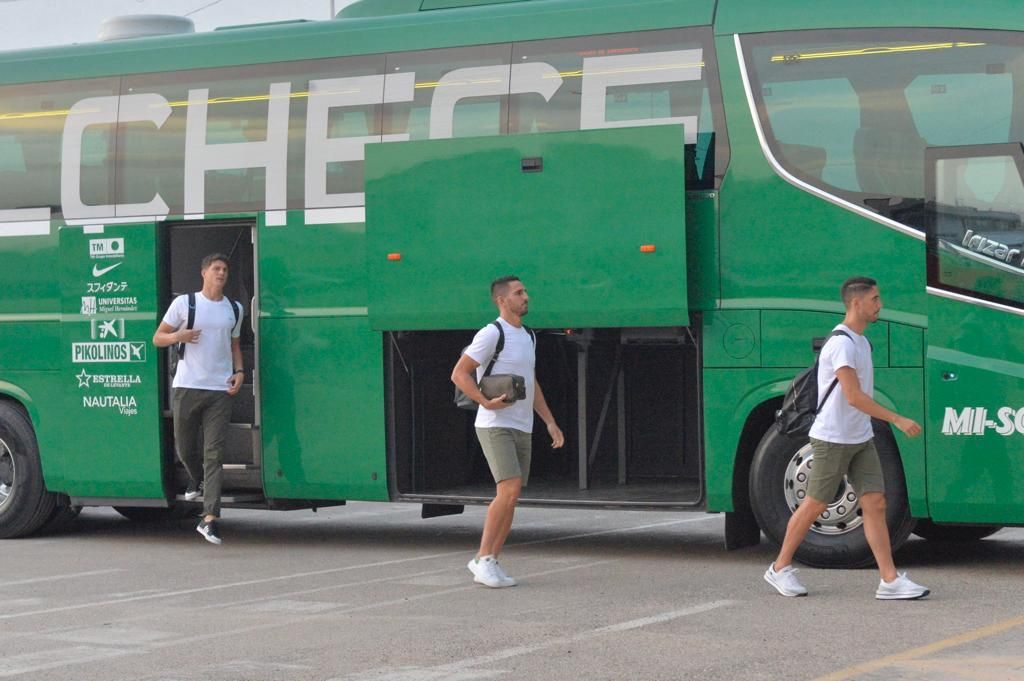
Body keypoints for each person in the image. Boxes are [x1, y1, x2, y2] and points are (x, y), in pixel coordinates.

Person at [764, 276, 930, 600]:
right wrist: (896, 418)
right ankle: (779, 568)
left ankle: (889, 580)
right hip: (832, 438)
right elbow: (853, 396)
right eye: (875, 299)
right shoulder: (840, 343)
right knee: (815, 504)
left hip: (859, 436)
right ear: (857, 303)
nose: (879, 305)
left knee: (875, 503)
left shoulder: (861, 342)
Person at [451, 276, 565, 588]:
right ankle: (483, 558)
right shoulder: (491, 333)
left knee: (512, 496)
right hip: (494, 424)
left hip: (521, 423)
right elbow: (459, 374)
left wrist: (549, 421)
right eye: (519, 293)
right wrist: (484, 401)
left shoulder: (529, 336)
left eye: (525, 291)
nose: (526, 296)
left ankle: (490, 560)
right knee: (509, 489)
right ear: (502, 300)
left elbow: (532, 383)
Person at [152, 253, 244, 545]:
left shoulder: (235, 309)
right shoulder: (185, 304)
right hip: (187, 386)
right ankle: (196, 478)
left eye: (225, 269)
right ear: (203, 272)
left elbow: (235, 344)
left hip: (220, 389)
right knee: (185, 447)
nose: (221, 273)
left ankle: (210, 519)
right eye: (216, 269)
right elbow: (157, 338)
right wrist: (179, 335)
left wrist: (240, 371)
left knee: (214, 453)